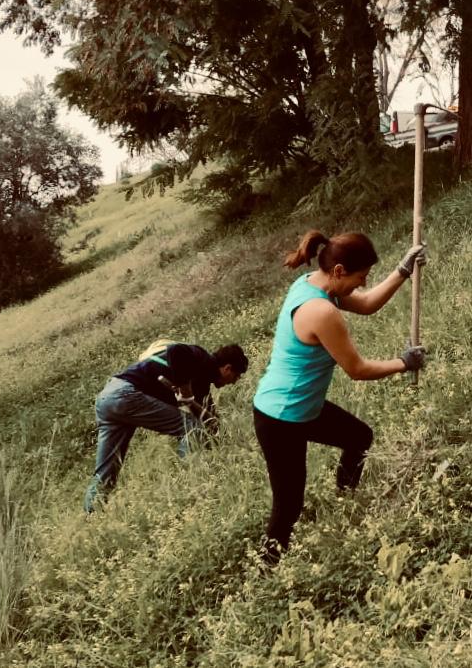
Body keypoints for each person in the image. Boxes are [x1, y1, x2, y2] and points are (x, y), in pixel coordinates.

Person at [252, 230, 426, 563]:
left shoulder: (312, 285)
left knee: (359, 437)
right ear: (339, 271)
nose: (362, 284)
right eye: (360, 277)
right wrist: (403, 363)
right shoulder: (321, 311)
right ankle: (267, 567)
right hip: (281, 417)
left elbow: (367, 303)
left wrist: (403, 271)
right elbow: (357, 369)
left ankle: (346, 501)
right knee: (289, 504)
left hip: (303, 406)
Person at [83, 341, 248, 513]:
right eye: (237, 376)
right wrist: (185, 390)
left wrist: (228, 444)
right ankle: (191, 486)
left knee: (106, 471)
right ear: (227, 368)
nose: (234, 382)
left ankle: (92, 514)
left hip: (108, 397)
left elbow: (210, 420)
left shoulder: (202, 384)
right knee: (192, 428)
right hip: (125, 394)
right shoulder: (202, 359)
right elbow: (177, 350)